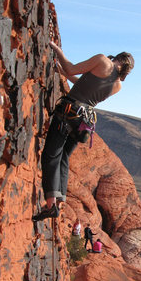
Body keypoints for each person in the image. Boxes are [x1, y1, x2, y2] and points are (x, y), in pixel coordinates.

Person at [33, 43, 134, 221]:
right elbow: (86, 86)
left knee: (51, 155)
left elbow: (71, 69)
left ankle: (50, 205)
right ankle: (60, 201)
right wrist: (64, 75)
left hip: (68, 112)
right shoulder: (118, 86)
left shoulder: (103, 60)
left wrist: (56, 49)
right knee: (64, 157)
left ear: (117, 57)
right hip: (83, 121)